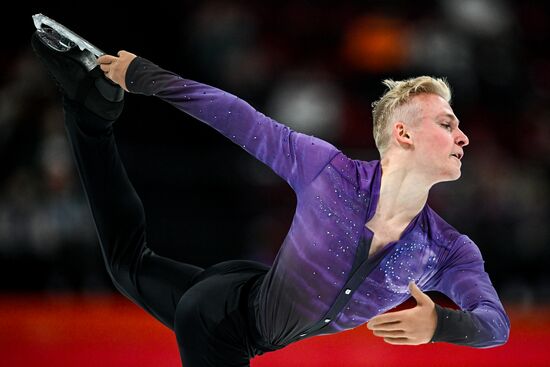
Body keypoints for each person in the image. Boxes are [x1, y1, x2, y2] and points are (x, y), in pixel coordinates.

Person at [31, 28, 510, 367]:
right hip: (221, 324)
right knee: (129, 265)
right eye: (448, 124)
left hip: (243, 293)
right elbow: (240, 119)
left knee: (126, 263)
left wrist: (441, 327)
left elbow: (495, 326)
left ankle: (87, 115)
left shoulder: (448, 251)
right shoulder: (329, 172)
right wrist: (145, 77)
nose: (463, 137)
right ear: (402, 134)